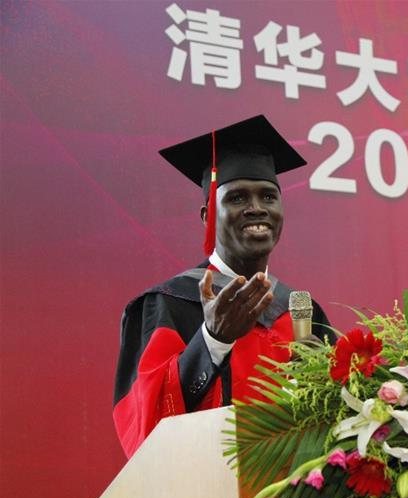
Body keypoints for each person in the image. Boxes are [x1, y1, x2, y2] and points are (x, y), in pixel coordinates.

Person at [113, 115, 331, 458]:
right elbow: (141, 430)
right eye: (237, 198)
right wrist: (212, 340)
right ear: (207, 215)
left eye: (268, 197)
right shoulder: (168, 304)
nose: (256, 209)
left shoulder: (302, 311)